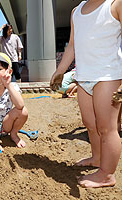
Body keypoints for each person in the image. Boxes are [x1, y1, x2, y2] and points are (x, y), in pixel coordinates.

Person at [50, 0, 122, 188]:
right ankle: (97, 158)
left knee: (107, 128)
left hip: (108, 76)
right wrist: (60, 70)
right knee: (90, 123)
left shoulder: (115, 4)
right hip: (83, 77)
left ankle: (107, 174)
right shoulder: (76, 11)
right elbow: (72, 45)